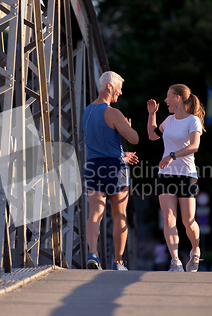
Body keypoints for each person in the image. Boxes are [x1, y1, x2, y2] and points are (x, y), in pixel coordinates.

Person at [82, 71, 139, 271]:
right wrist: (126, 127)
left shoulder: (87, 112)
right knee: (119, 215)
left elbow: (99, 146)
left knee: (95, 213)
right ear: (109, 86)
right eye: (119, 88)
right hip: (115, 169)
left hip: (93, 166)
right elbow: (134, 139)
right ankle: (118, 262)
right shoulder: (113, 112)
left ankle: (93, 254)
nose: (120, 93)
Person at [146, 84, 205, 272]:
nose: (165, 101)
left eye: (168, 97)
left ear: (177, 98)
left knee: (188, 221)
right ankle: (175, 261)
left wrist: (172, 155)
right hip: (166, 175)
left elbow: (194, 146)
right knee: (169, 218)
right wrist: (151, 114)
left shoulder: (193, 121)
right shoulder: (169, 120)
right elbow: (152, 135)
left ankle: (195, 251)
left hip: (187, 175)